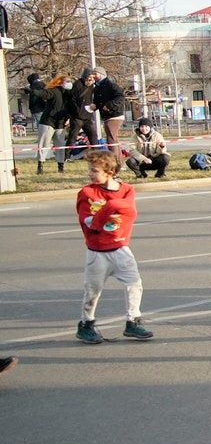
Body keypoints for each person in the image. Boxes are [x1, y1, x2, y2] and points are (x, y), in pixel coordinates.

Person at [74, 150, 154, 344]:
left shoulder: (126, 190)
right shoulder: (87, 193)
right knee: (93, 290)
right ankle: (86, 324)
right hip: (97, 252)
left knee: (135, 284)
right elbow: (89, 222)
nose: (91, 174)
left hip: (120, 248)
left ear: (110, 171)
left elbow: (130, 211)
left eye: (95, 170)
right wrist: (112, 208)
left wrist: (114, 206)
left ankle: (133, 321)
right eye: (90, 170)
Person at [29, 74, 71, 175]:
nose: (69, 83)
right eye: (67, 81)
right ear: (60, 82)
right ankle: (40, 166)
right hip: (48, 122)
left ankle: (61, 167)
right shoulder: (53, 91)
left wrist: (68, 118)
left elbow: (71, 107)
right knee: (44, 144)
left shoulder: (70, 94)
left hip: (61, 123)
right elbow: (42, 93)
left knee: (60, 145)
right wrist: (31, 91)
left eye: (70, 81)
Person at [88, 66, 127, 156]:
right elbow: (100, 102)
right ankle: (118, 162)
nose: (93, 76)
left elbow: (121, 97)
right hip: (107, 116)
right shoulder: (97, 87)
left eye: (95, 74)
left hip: (115, 115)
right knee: (112, 138)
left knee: (111, 139)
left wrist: (109, 106)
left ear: (101, 74)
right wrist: (95, 106)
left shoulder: (110, 84)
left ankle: (115, 161)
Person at [66, 68, 100, 151]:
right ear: (85, 76)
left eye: (92, 78)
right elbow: (71, 100)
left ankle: (95, 154)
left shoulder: (92, 86)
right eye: (89, 77)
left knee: (93, 135)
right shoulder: (77, 84)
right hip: (77, 117)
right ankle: (66, 156)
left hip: (87, 116)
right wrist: (76, 112)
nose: (91, 79)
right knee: (73, 136)